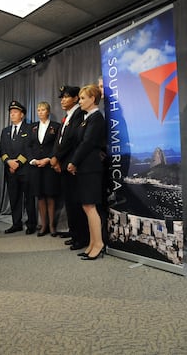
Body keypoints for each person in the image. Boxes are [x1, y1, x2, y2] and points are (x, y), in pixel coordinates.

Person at [67, 84, 107, 260]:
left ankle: (99, 244)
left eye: (83, 98)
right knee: (86, 206)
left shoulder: (96, 117)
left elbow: (88, 142)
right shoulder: (86, 117)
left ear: (93, 99)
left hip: (91, 167)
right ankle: (92, 242)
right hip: (85, 167)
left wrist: (73, 162)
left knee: (91, 207)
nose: (80, 101)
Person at [50, 85, 89, 251]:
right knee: (69, 202)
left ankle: (82, 237)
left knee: (76, 202)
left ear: (75, 98)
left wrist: (56, 157)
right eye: (61, 97)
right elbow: (59, 140)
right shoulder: (66, 117)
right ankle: (74, 234)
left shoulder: (80, 114)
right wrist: (56, 158)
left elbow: (71, 140)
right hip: (64, 165)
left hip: (74, 164)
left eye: (66, 96)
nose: (62, 100)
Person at [0, 100, 37, 235]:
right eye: (11, 112)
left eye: (15, 112)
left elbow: (30, 148)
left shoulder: (29, 128)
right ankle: (16, 224)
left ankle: (31, 224)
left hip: (25, 170)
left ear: (22, 115)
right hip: (10, 171)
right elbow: (1, 150)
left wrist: (18, 163)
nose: (12, 115)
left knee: (29, 198)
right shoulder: (6, 131)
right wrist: (9, 162)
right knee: (14, 198)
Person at [29, 101, 61, 237]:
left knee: (50, 196)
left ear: (48, 111)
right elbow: (28, 146)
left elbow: (57, 145)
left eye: (43, 110)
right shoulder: (32, 127)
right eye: (38, 110)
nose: (40, 112)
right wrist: (34, 160)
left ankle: (53, 226)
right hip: (36, 166)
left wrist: (48, 159)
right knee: (40, 196)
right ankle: (44, 225)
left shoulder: (56, 126)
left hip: (50, 165)